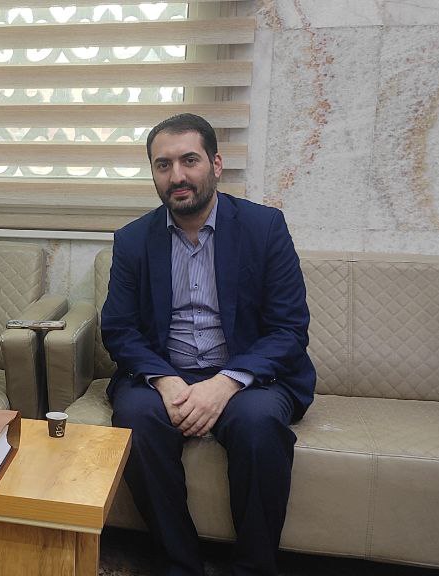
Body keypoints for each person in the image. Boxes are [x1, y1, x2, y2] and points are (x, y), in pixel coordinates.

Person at [101, 113, 316, 576]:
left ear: (216, 164)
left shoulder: (264, 227)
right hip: (167, 370)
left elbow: (289, 329)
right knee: (135, 419)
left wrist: (225, 384)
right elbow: (119, 329)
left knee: (259, 424)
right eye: (163, 165)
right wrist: (164, 380)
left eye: (189, 160)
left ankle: (254, 568)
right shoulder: (133, 240)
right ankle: (179, 563)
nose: (176, 176)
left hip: (248, 376)